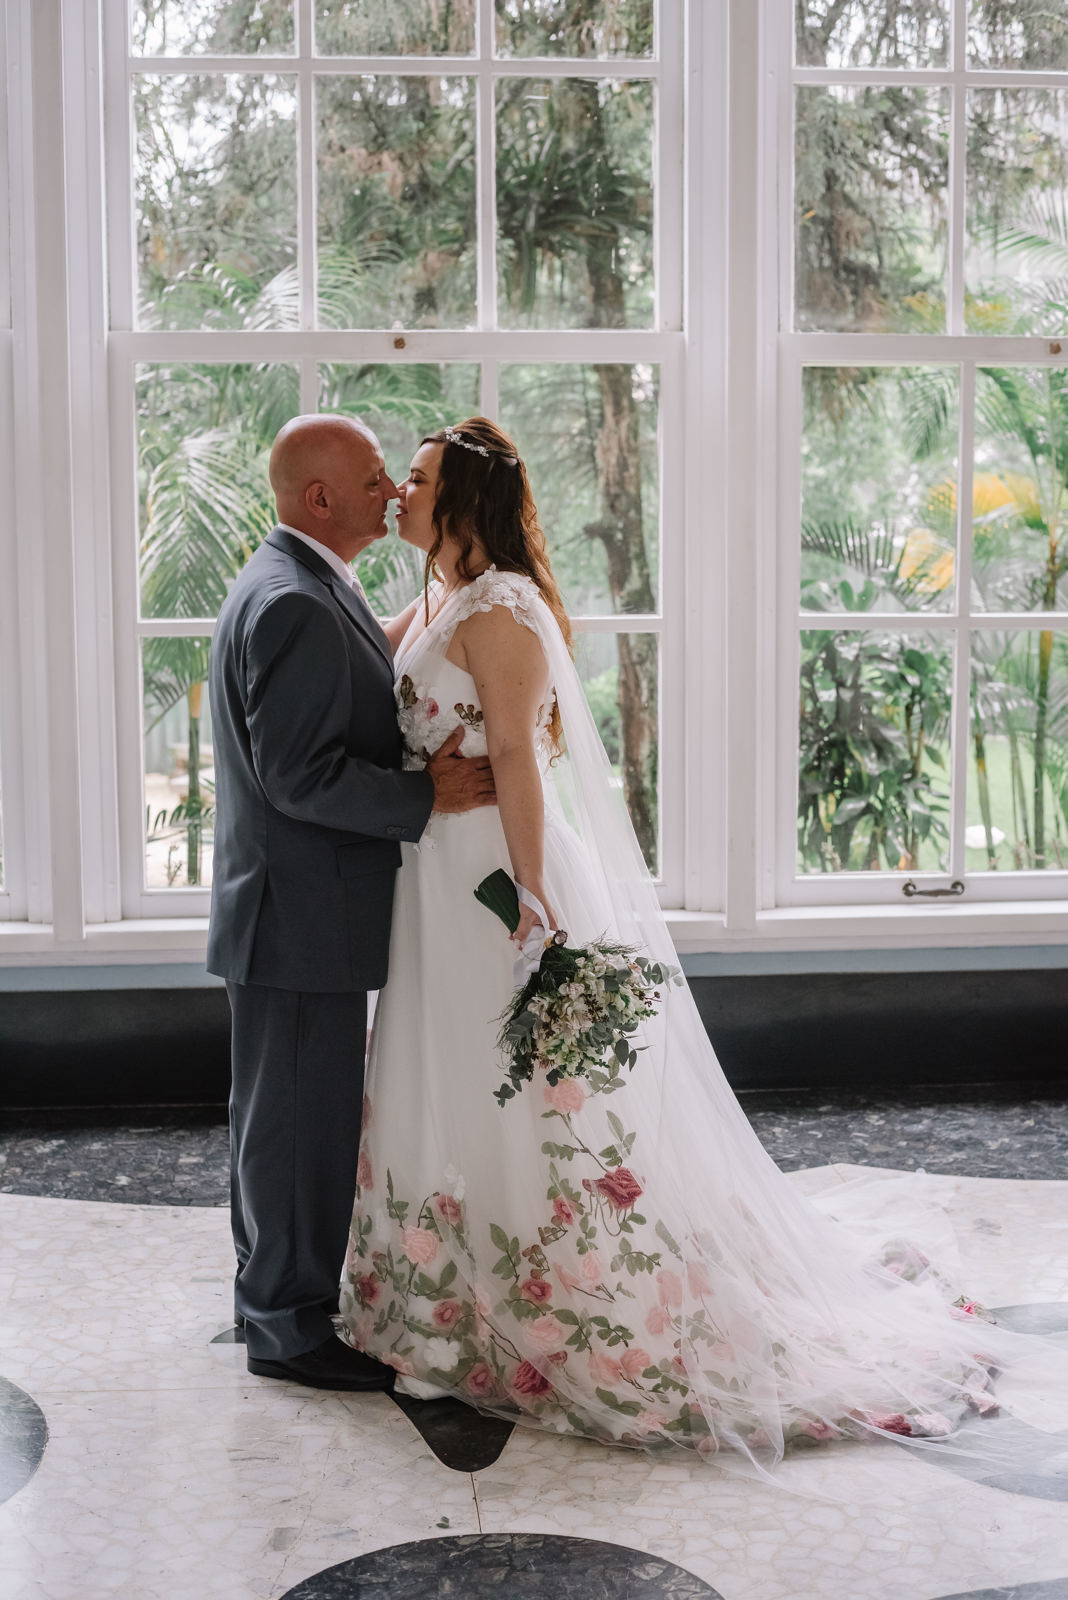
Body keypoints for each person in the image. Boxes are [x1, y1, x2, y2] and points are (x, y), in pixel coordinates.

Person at [337, 416, 1062, 1474]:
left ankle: (526, 1306)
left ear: (464, 506)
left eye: (417, 478)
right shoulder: (439, 596)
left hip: (490, 876)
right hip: (430, 878)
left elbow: (520, 764)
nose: (400, 488)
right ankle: (439, 1307)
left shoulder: (500, 612)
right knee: (443, 1072)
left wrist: (535, 902)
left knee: (511, 1087)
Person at [207, 413, 495, 1392]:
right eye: (375, 478)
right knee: (297, 1126)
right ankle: (286, 1329)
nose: (394, 492)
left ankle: (270, 1299)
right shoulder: (291, 600)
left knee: (285, 1121)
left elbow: (347, 679)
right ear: (320, 499)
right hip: (298, 916)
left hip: (288, 910)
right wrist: (429, 796)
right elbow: (299, 776)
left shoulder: (300, 583)